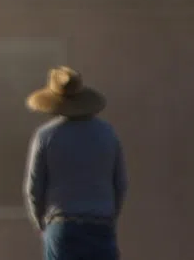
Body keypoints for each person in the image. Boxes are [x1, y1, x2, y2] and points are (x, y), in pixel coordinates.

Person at [23, 67, 127, 260]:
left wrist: (41, 224)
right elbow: (120, 183)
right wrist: (109, 218)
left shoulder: (45, 136)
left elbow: (34, 187)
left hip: (62, 227)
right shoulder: (107, 134)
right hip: (100, 226)